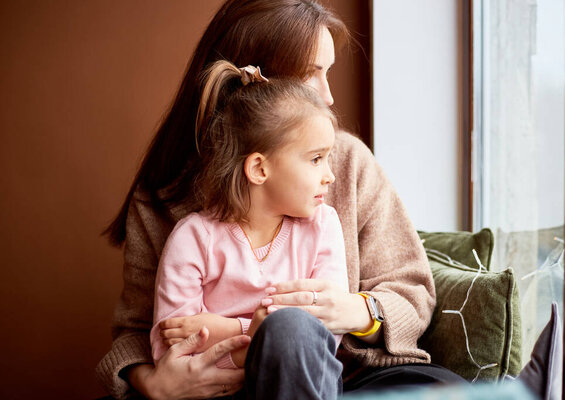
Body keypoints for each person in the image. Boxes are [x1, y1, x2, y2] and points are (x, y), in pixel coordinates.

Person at [96, 0, 448, 398]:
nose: (329, 97)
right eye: (311, 75)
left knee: (440, 388)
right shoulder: (166, 193)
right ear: (260, 79)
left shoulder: (347, 162)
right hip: (216, 385)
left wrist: (357, 310)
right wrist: (153, 383)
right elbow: (140, 332)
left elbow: (413, 290)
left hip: (347, 376)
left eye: (328, 73)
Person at [149, 60, 349, 370]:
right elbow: (172, 349)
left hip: (300, 380)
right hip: (213, 392)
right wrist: (256, 336)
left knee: (293, 331)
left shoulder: (323, 226)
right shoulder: (194, 239)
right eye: (316, 159)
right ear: (259, 169)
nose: (330, 176)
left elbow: (322, 334)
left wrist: (231, 329)